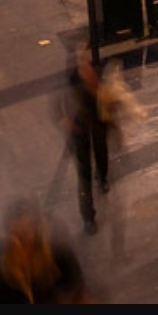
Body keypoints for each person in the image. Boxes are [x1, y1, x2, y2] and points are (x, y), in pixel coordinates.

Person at [0, 204, 88, 304]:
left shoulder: (60, 257)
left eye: (27, 230)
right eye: (16, 232)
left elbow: (77, 292)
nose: (22, 239)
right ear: (8, 234)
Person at [62, 47, 112, 236]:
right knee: (84, 175)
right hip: (80, 132)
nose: (86, 59)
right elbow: (59, 107)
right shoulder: (71, 82)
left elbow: (106, 95)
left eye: (86, 55)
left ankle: (103, 176)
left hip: (97, 126)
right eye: (82, 56)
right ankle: (88, 217)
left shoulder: (95, 73)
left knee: (101, 152)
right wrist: (66, 120)